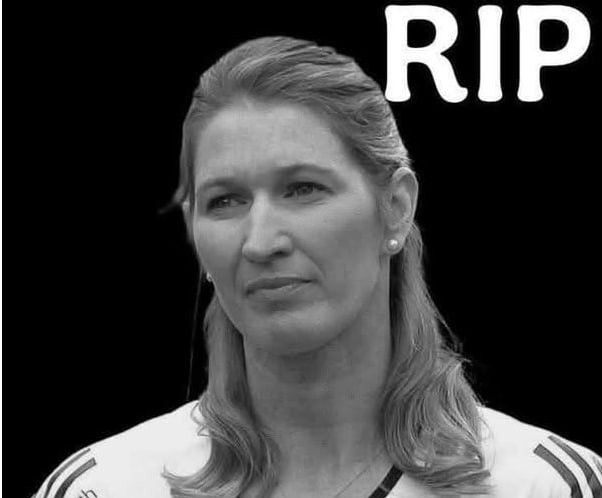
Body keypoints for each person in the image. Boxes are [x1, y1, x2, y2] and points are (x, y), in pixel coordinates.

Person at [33, 36, 601, 498]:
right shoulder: (104, 487)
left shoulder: (543, 484)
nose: (260, 242)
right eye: (225, 201)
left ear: (395, 206)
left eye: (303, 188)